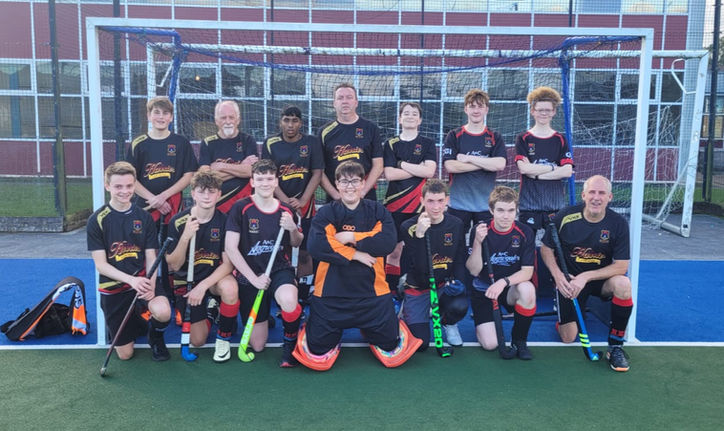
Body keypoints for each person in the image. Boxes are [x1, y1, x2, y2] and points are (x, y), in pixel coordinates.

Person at [293, 161, 422, 370]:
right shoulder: (326, 213)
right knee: (317, 349)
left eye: (354, 181)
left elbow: (387, 242)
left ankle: (371, 329)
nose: (350, 186)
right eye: (344, 182)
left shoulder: (378, 211)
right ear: (337, 184)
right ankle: (318, 324)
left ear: (363, 183)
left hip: (372, 295)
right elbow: (317, 246)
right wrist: (356, 254)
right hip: (331, 295)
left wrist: (351, 237)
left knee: (391, 345)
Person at [540, 175, 633, 372]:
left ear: (610, 197)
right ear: (583, 195)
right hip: (570, 281)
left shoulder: (618, 223)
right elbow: (546, 248)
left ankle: (615, 347)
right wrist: (558, 276)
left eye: (602, 193)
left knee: (623, 285)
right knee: (568, 338)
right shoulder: (566, 216)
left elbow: (621, 266)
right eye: (592, 192)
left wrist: (586, 277)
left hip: (599, 280)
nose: (596, 198)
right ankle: (567, 313)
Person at [87, 161, 172, 361]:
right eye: (118, 186)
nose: (124, 191)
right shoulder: (97, 220)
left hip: (143, 281)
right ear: (107, 186)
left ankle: (155, 337)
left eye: (129, 186)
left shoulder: (144, 217)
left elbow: (151, 256)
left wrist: (150, 285)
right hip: (114, 287)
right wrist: (131, 280)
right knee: (125, 355)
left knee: (163, 311)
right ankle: (135, 321)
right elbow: (101, 265)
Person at [224, 159, 304, 368]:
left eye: (269, 179)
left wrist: (292, 228)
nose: (265, 183)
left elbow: (296, 243)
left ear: (276, 182)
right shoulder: (240, 208)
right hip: (250, 273)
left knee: (288, 300)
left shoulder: (286, 210)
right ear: (252, 182)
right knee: (258, 345)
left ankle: (290, 344)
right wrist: (253, 279)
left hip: (278, 269)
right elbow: (231, 248)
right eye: (260, 179)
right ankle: (267, 314)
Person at [165, 169, 239, 363]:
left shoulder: (225, 221)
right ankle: (212, 310)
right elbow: (174, 264)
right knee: (198, 341)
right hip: (187, 280)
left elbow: (228, 264)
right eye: (201, 191)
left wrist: (203, 286)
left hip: (213, 279)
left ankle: (223, 338)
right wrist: (185, 237)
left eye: (211, 191)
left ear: (219, 194)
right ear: (193, 193)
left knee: (230, 288)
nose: (206, 196)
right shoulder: (178, 221)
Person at [466, 186, 537, 359]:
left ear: (517, 210)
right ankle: (483, 322)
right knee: (490, 344)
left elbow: (527, 272)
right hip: (485, 290)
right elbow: (474, 270)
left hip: (509, 288)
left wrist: (503, 282)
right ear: (491, 210)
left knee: (527, 289)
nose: (506, 216)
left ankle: (519, 340)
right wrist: (477, 242)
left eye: (511, 210)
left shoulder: (525, 232)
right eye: (500, 210)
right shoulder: (480, 229)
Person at [261, 105, 323, 295]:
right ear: (280, 122)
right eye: (286, 120)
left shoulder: (311, 142)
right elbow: (268, 175)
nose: (290, 125)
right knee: (279, 249)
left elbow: (317, 173)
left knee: (305, 251)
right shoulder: (271, 143)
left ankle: (304, 291)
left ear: (301, 123)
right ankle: (278, 288)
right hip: (277, 205)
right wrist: (284, 201)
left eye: (294, 121)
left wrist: (303, 200)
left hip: (305, 206)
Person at [399, 179, 468, 350]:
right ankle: (407, 310)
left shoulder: (456, 224)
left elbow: (459, 258)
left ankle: (448, 323)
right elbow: (420, 268)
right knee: (420, 345)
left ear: (447, 200)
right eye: (430, 201)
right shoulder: (408, 226)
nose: (436, 207)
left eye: (440, 201)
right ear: (422, 201)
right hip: (418, 286)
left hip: (443, 285)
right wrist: (420, 236)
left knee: (459, 305)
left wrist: (460, 282)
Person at [382, 102, 437, 294]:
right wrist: (418, 169)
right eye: (406, 113)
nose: (410, 116)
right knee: (393, 250)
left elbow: (429, 172)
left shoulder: (428, 143)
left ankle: (411, 287)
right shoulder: (391, 144)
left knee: (416, 249)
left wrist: (401, 164)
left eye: (414, 114)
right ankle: (391, 289)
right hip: (394, 205)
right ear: (399, 118)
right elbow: (389, 174)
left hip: (419, 206)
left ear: (420, 120)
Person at [126, 96, 198, 225]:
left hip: (172, 205)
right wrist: (154, 200)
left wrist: (163, 196)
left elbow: (189, 175)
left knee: (173, 237)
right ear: (149, 116)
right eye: (156, 112)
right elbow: (129, 178)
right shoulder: (138, 144)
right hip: (146, 204)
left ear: (171, 117)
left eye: (165, 113)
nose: (161, 117)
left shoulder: (181, 143)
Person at [442, 88, 507, 232]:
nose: (476, 110)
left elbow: (500, 164)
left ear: (486, 110)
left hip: (485, 205)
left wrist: (469, 158)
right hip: (458, 204)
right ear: (466, 109)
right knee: (455, 244)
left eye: (480, 106)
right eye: (472, 106)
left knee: (484, 243)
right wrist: (486, 162)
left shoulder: (494, 136)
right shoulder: (454, 135)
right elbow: (451, 166)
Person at [515, 87, 573, 237]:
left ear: (554, 112)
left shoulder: (560, 139)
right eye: (540, 110)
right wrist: (553, 167)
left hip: (554, 205)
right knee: (525, 246)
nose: (544, 113)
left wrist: (536, 175)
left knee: (556, 247)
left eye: (548, 110)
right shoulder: (523, 138)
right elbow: (524, 169)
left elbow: (567, 171)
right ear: (532, 111)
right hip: (529, 205)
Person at [318, 83, 383, 202]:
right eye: (340, 98)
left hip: (365, 196)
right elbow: (319, 170)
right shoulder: (324, 132)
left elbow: (378, 165)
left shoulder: (371, 128)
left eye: (349, 97)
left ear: (356, 102)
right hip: (336, 198)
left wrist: (362, 192)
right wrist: (336, 195)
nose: (345, 101)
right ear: (334, 103)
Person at [199, 100, 259, 213]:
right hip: (218, 204)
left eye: (231, 117)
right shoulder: (208, 143)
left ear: (238, 120)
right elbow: (205, 178)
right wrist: (241, 167)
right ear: (216, 121)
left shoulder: (248, 140)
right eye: (223, 118)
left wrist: (221, 166)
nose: (228, 121)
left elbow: (251, 172)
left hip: (244, 202)